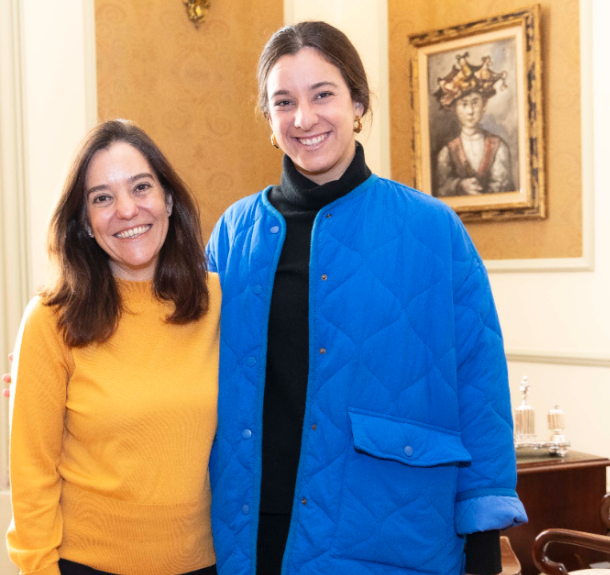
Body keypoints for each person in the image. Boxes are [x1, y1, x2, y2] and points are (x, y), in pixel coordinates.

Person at [205, 22, 526, 575]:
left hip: (387, 533)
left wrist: (481, 539)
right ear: (269, 118)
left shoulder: (433, 229)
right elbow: (181, 348)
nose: (304, 119)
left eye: (322, 94)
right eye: (284, 102)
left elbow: (481, 388)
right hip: (248, 530)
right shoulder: (235, 232)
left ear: (357, 102)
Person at [6, 119, 221, 575]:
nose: (126, 209)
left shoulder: (220, 302)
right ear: (84, 222)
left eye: (141, 187)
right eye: (102, 197)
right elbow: (32, 476)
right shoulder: (51, 320)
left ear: (168, 198)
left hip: (206, 564)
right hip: (87, 565)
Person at [432, 52, 515, 197]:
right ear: (454, 109)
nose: (470, 111)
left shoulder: (498, 146)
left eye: (475, 103)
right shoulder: (447, 151)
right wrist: (459, 185)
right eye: (464, 104)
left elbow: (504, 187)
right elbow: (441, 188)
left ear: (484, 105)